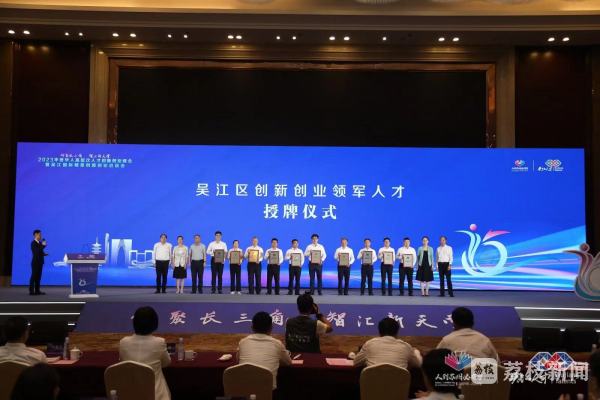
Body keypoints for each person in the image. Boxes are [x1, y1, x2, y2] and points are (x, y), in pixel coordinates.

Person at [119, 306, 171, 400]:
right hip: (156, 395)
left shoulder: (123, 342)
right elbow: (166, 363)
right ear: (155, 324)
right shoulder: (159, 342)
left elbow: (122, 362)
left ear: (134, 323)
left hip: (129, 394)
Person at [237, 311, 292, 390]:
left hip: (244, 390)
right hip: (267, 391)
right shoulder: (277, 344)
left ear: (252, 327)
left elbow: (238, 361)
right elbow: (288, 362)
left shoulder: (243, 342)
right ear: (271, 327)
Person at [353, 317, 422, 368]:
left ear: (379, 332)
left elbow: (356, 363)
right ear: (397, 332)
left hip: (373, 383)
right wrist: (416, 352)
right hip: (398, 384)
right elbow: (418, 364)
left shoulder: (369, 344)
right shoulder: (406, 347)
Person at [29, 229, 47, 296]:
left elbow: (40, 251)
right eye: (39, 234)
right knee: (33, 276)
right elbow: (36, 252)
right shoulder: (33, 243)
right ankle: (31, 291)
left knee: (38, 277)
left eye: (41, 234)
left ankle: (37, 290)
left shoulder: (39, 243)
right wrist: (43, 246)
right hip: (35, 262)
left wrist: (44, 253)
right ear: (35, 235)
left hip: (40, 262)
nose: (41, 236)